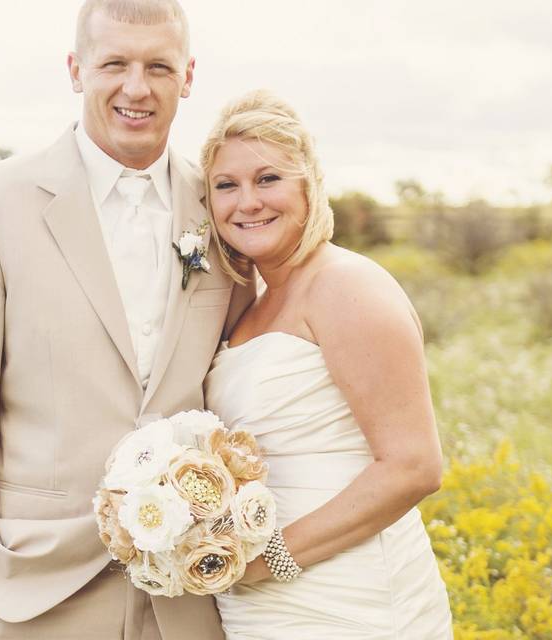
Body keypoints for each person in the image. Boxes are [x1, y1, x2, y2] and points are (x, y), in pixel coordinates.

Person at [0, 1, 251, 637]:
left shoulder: (222, 207)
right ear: (76, 70)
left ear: (188, 76)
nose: (136, 87)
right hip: (32, 583)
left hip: (187, 592)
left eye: (159, 66)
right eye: (114, 64)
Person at [202, 90, 454, 638]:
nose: (247, 202)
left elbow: (414, 467)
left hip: (352, 597)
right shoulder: (253, 299)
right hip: (261, 607)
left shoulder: (346, 284)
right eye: (227, 185)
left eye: (268, 179)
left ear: (308, 185)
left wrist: (267, 561)